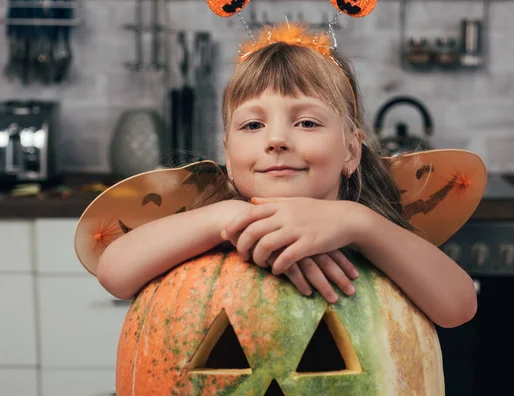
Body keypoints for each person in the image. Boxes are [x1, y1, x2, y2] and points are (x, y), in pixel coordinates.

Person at [81, 24, 480, 329]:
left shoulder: (372, 238)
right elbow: (114, 272)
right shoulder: (209, 230)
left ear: (351, 150)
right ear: (228, 156)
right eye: (252, 126)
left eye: (306, 122)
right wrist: (226, 219)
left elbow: (459, 308)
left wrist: (360, 224)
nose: (276, 140)